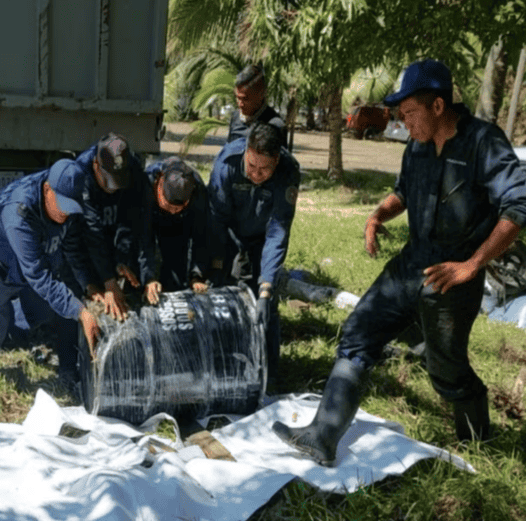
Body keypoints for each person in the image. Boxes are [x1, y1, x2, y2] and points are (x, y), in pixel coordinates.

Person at [273, 59, 526, 466]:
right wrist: (377, 215)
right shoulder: (417, 146)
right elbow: (404, 193)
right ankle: (322, 435)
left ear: (438, 106)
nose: (403, 122)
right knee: (358, 330)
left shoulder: (483, 142)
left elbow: (517, 206)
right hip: (410, 264)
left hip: (451, 276)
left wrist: (473, 264)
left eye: (409, 113)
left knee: (445, 369)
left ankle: (479, 443)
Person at [0, 160, 101, 380]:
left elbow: (71, 246)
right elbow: (38, 275)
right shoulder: (18, 213)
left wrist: (88, 284)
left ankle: (10, 323)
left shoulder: (67, 196)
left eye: (71, 207)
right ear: (47, 189)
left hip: (36, 249)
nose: (65, 213)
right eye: (62, 204)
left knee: (44, 309)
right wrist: (81, 312)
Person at [207, 121, 300, 385]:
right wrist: (215, 266)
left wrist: (266, 287)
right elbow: (216, 221)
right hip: (228, 233)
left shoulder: (289, 171)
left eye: (265, 169)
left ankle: (268, 377)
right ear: (246, 152)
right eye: (252, 167)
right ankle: (219, 367)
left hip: (263, 237)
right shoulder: (227, 162)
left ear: (277, 160)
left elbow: (278, 230)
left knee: (265, 306)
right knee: (221, 297)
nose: (257, 174)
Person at [64, 132, 155, 319]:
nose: (112, 187)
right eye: (108, 180)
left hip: (111, 231)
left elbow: (137, 222)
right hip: (79, 239)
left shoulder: (135, 171)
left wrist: (123, 262)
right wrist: (104, 281)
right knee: (82, 299)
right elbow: (88, 233)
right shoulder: (79, 176)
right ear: (96, 165)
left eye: (117, 180)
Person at [142, 156, 210, 296]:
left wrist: (196, 274)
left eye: (178, 207)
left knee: (176, 274)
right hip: (151, 216)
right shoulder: (145, 185)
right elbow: (143, 238)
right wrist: (149, 278)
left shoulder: (197, 190)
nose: (172, 211)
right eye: (169, 206)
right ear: (159, 184)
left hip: (181, 224)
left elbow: (201, 235)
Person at [227, 65, 287, 148]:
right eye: (238, 98)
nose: (240, 103)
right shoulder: (235, 117)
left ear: (261, 94)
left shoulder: (275, 125)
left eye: (245, 99)